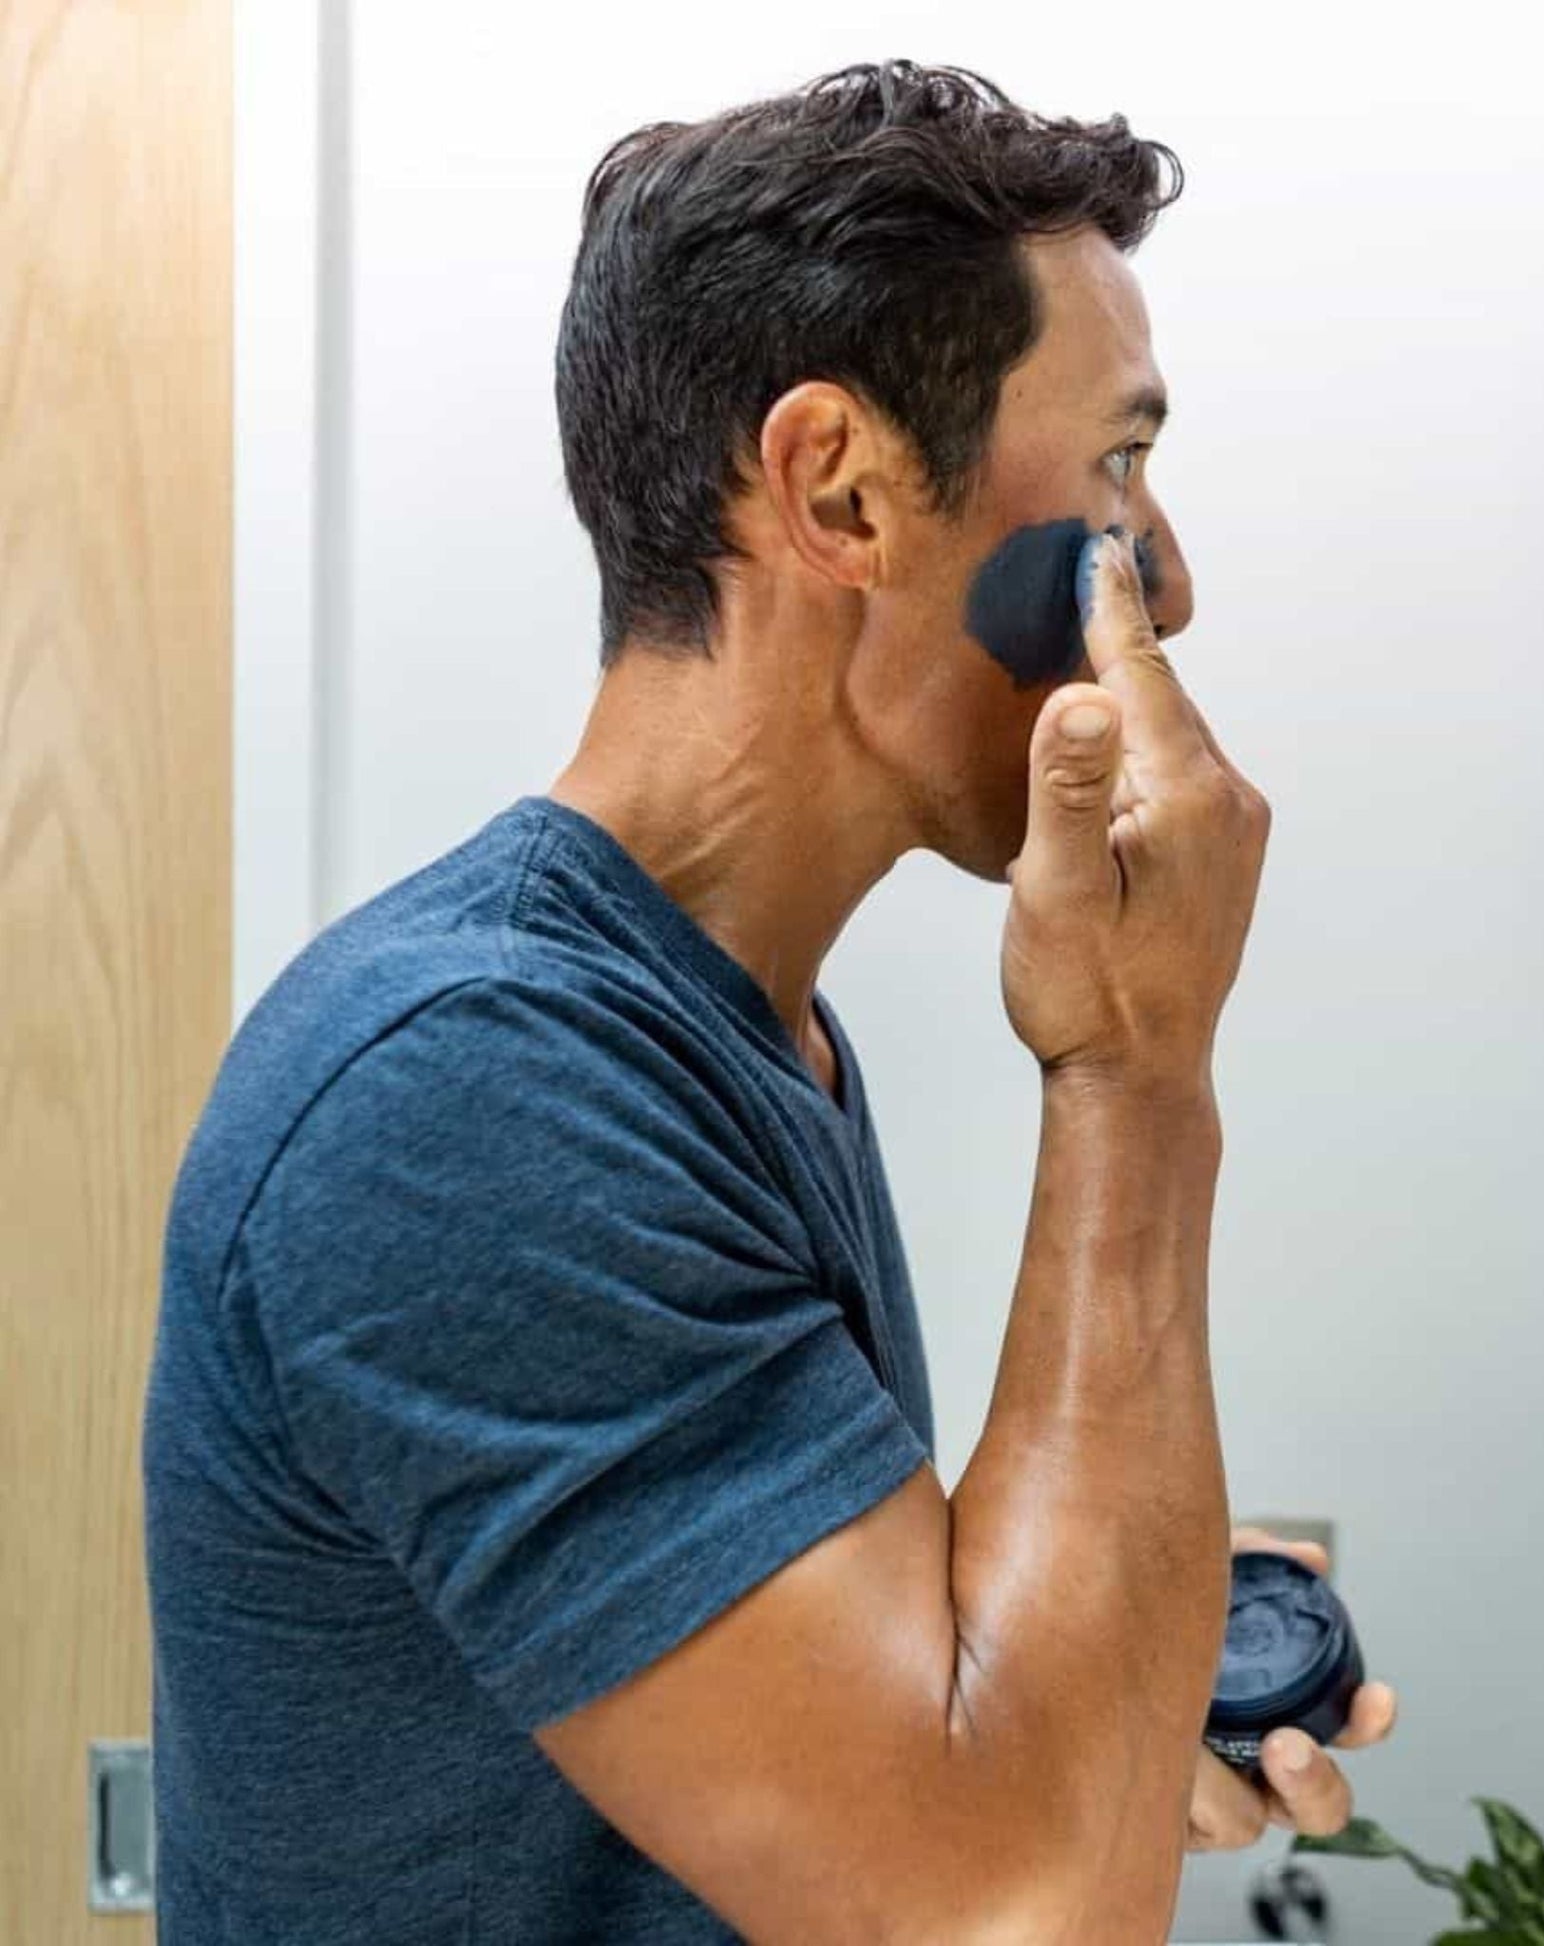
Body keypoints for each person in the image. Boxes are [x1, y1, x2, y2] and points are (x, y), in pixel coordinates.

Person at [143, 59, 1397, 1943]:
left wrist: (1116, 1646)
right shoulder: (468, 1091)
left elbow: (913, 1740)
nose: (1172, 583)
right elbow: (1017, 1910)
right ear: (840, 491)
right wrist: (1133, 1068)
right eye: (1119, 470)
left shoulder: (733, 1035)